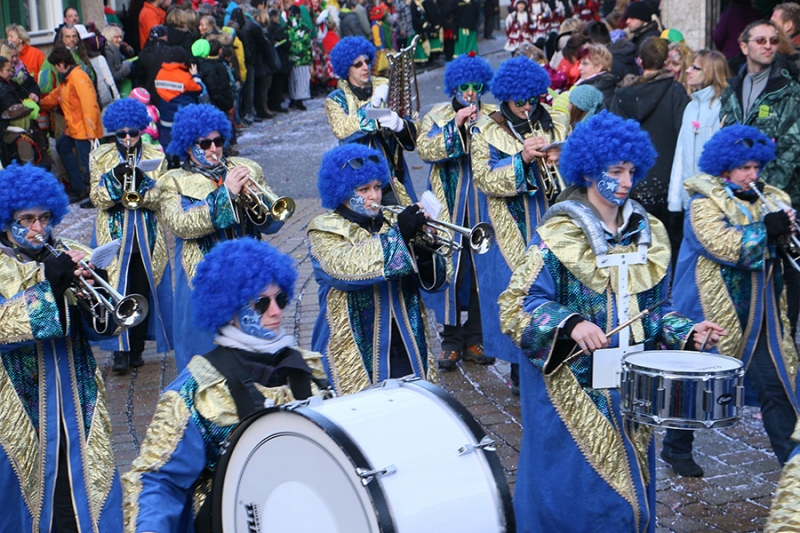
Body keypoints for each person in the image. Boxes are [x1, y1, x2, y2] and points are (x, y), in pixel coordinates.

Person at [498, 111, 726, 533]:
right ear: (588, 170)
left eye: (631, 170)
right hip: (572, 388)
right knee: (574, 486)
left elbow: (656, 310)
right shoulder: (557, 234)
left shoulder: (649, 232)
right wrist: (569, 324)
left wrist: (687, 332)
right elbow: (517, 306)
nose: (625, 180)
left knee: (629, 488)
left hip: (630, 384)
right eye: (615, 170)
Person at [122, 238, 328, 532]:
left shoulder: (308, 367)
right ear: (228, 310)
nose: (276, 312)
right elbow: (157, 480)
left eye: (280, 299)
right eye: (260, 303)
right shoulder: (195, 390)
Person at [662, 125, 800, 477]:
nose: (752, 175)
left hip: (764, 310)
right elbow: (721, 244)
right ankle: (676, 446)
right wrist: (765, 230)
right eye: (744, 168)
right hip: (711, 305)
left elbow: (778, 247)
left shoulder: (773, 198)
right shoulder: (703, 202)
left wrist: (787, 231)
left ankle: (792, 465)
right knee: (696, 379)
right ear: (724, 169)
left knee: (778, 383)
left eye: (756, 167)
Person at [0, 163, 123, 531]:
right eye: (27, 219)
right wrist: (49, 290)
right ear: (6, 219)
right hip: (19, 403)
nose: (38, 228)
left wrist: (97, 289)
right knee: (25, 499)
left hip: (77, 395)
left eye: (45, 218)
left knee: (85, 491)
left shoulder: (70, 252)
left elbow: (102, 327)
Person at [309, 144, 448, 395]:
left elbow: (435, 283)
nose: (373, 196)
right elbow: (345, 269)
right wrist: (400, 237)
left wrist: (427, 250)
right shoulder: (323, 228)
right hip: (355, 348)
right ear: (341, 193)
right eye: (363, 190)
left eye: (376, 187)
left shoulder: (392, 221)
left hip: (406, 342)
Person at [157, 103, 286, 370]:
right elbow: (181, 224)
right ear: (188, 146)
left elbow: (272, 225)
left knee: (255, 353)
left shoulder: (246, 168)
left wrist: (260, 201)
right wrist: (225, 195)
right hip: (202, 278)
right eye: (204, 144)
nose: (214, 149)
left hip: (250, 276)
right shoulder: (173, 182)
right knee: (205, 356)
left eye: (218, 141)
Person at [470, 55, 569, 393]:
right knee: (518, 291)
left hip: (553, 218)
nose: (527, 106)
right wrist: (522, 159)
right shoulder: (486, 128)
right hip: (509, 226)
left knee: (556, 286)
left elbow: (575, 169)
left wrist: (563, 157)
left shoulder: (555, 121)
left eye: (532, 99)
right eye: (519, 101)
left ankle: (557, 351)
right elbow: (484, 179)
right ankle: (519, 369)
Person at [719, 19, 800, 338]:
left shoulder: (789, 90)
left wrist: (763, 193)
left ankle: (782, 346)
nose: (768, 45)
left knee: (782, 277)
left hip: (775, 196)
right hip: (735, 196)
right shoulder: (731, 88)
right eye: (760, 40)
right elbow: (723, 140)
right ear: (744, 47)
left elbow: (793, 148)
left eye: (773, 41)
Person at [417, 53, 496, 370]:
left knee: (481, 271)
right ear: (453, 87)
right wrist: (456, 127)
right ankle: (451, 339)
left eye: (475, 86)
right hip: (449, 207)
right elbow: (425, 149)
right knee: (451, 270)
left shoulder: (492, 116)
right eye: (464, 86)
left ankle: (476, 336)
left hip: (482, 207)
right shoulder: (436, 115)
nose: (469, 92)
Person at [89, 98, 173, 373]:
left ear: (141, 131)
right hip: (113, 236)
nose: (127, 138)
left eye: (133, 133)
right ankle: (120, 352)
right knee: (114, 290)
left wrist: (141, 185)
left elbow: (162, 194)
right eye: (121, 134)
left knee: (141, 290)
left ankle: (136, 348)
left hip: (146, 237)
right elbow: (96, 197)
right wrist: (115, 181)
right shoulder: (100, 155)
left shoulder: (154, 153)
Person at [610, 36, 689, 257]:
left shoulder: (621, 93)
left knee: (634, 244)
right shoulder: (676, 91)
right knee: (665, 246)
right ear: (665, 63)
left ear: (640, 61)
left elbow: (614, 135)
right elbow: (682, 132)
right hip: (665, 180)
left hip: (630, 179)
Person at [326, 36, 417, 205]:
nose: (365, 67)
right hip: (358, 181)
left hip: (391, 177)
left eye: (367, 61)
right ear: (347, 68)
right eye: (358, 64)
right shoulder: (335, 99)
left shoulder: (385, 84)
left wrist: (401, 126)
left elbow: (411, 122)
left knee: (403, 224)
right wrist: (373, 107)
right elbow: (342, 129)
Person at [668, 50, 730, 216]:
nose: (687, 70)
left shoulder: (722, 107)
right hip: (689, 203)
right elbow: (680, 154)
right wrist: (674, 201)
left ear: (710, 72)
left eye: (695, 68)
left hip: (713, 205)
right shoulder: (691, 106)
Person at [39, 46, 102, 204]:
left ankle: (95, 195)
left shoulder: (78, 77)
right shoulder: (68, 79)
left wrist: (90, 132)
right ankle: (79, 187)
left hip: (83, 130)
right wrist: (39, 103)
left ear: (61, 64)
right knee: (62, 147)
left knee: (89, 164)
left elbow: (89, 105)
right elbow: (56, 96)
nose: (56, 70)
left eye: (55, 66)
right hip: (75, 128)